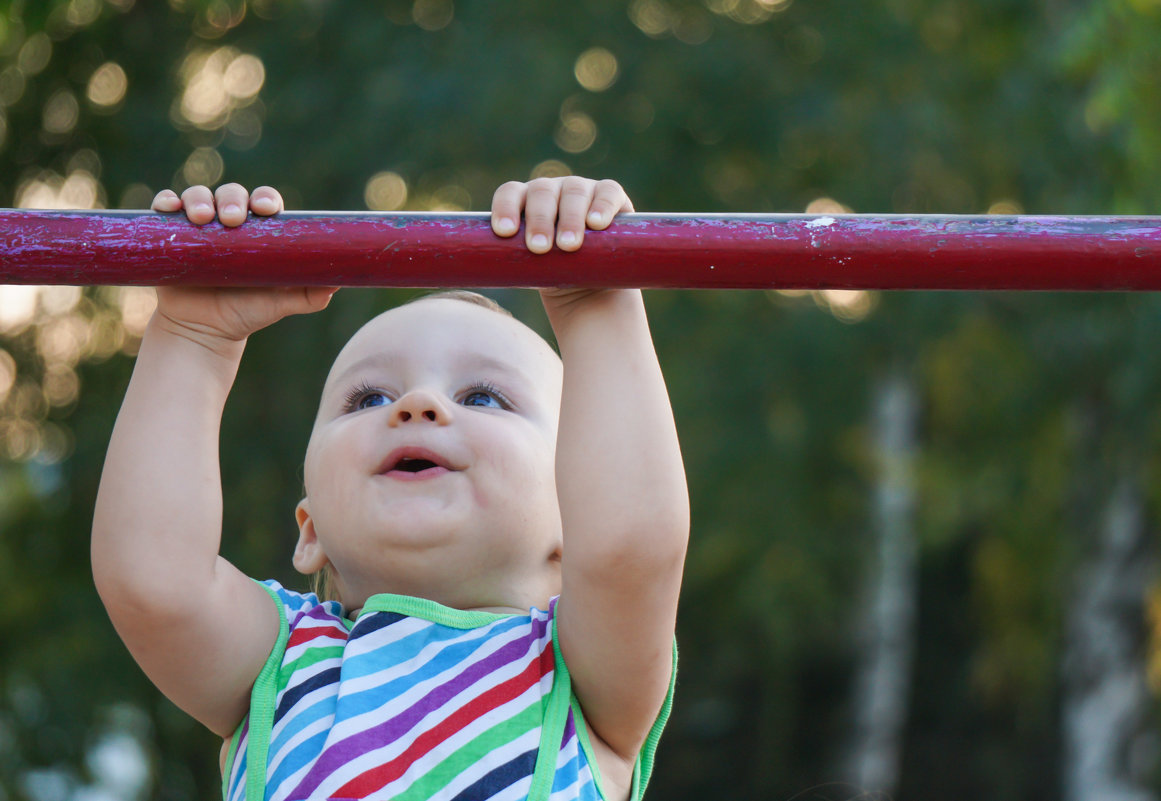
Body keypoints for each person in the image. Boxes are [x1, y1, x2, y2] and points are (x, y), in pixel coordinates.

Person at [91, 176, 689, 801]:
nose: (417, 404)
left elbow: (633, 545)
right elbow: (151, 579)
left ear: (576, 515)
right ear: (311, 529)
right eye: (368, 397)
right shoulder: (280, 665)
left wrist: (597, 304)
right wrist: (193, 339)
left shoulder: (581, 678)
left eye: (482, 396)